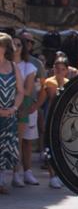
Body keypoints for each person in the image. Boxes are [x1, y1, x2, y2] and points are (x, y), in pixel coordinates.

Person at [32, 55, 70, 189]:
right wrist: (32, 111)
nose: (59, 71)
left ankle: (59, 175)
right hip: (50, 118)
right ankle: (52, 176)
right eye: (57, 68)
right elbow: (41, 102)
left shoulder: (69, 83)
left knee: (61, 150)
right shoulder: (49, 82)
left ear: (66, 70)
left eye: (62, 69)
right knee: (50, 148)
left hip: (64, 121)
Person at [12, 36, 39, 187]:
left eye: (18, 44)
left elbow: (28, 91)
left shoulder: (29, 67)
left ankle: (17, 174)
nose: (15, 47)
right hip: (3, 104)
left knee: (19, 142)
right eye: (12, 44)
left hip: (21, 105)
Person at [0, 34, 24, 194]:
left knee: (4, 148)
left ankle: (1, 182)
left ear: (6, 48)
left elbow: (21, 92)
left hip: (9, 115)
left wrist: (13, 108)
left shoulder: (14, 67)